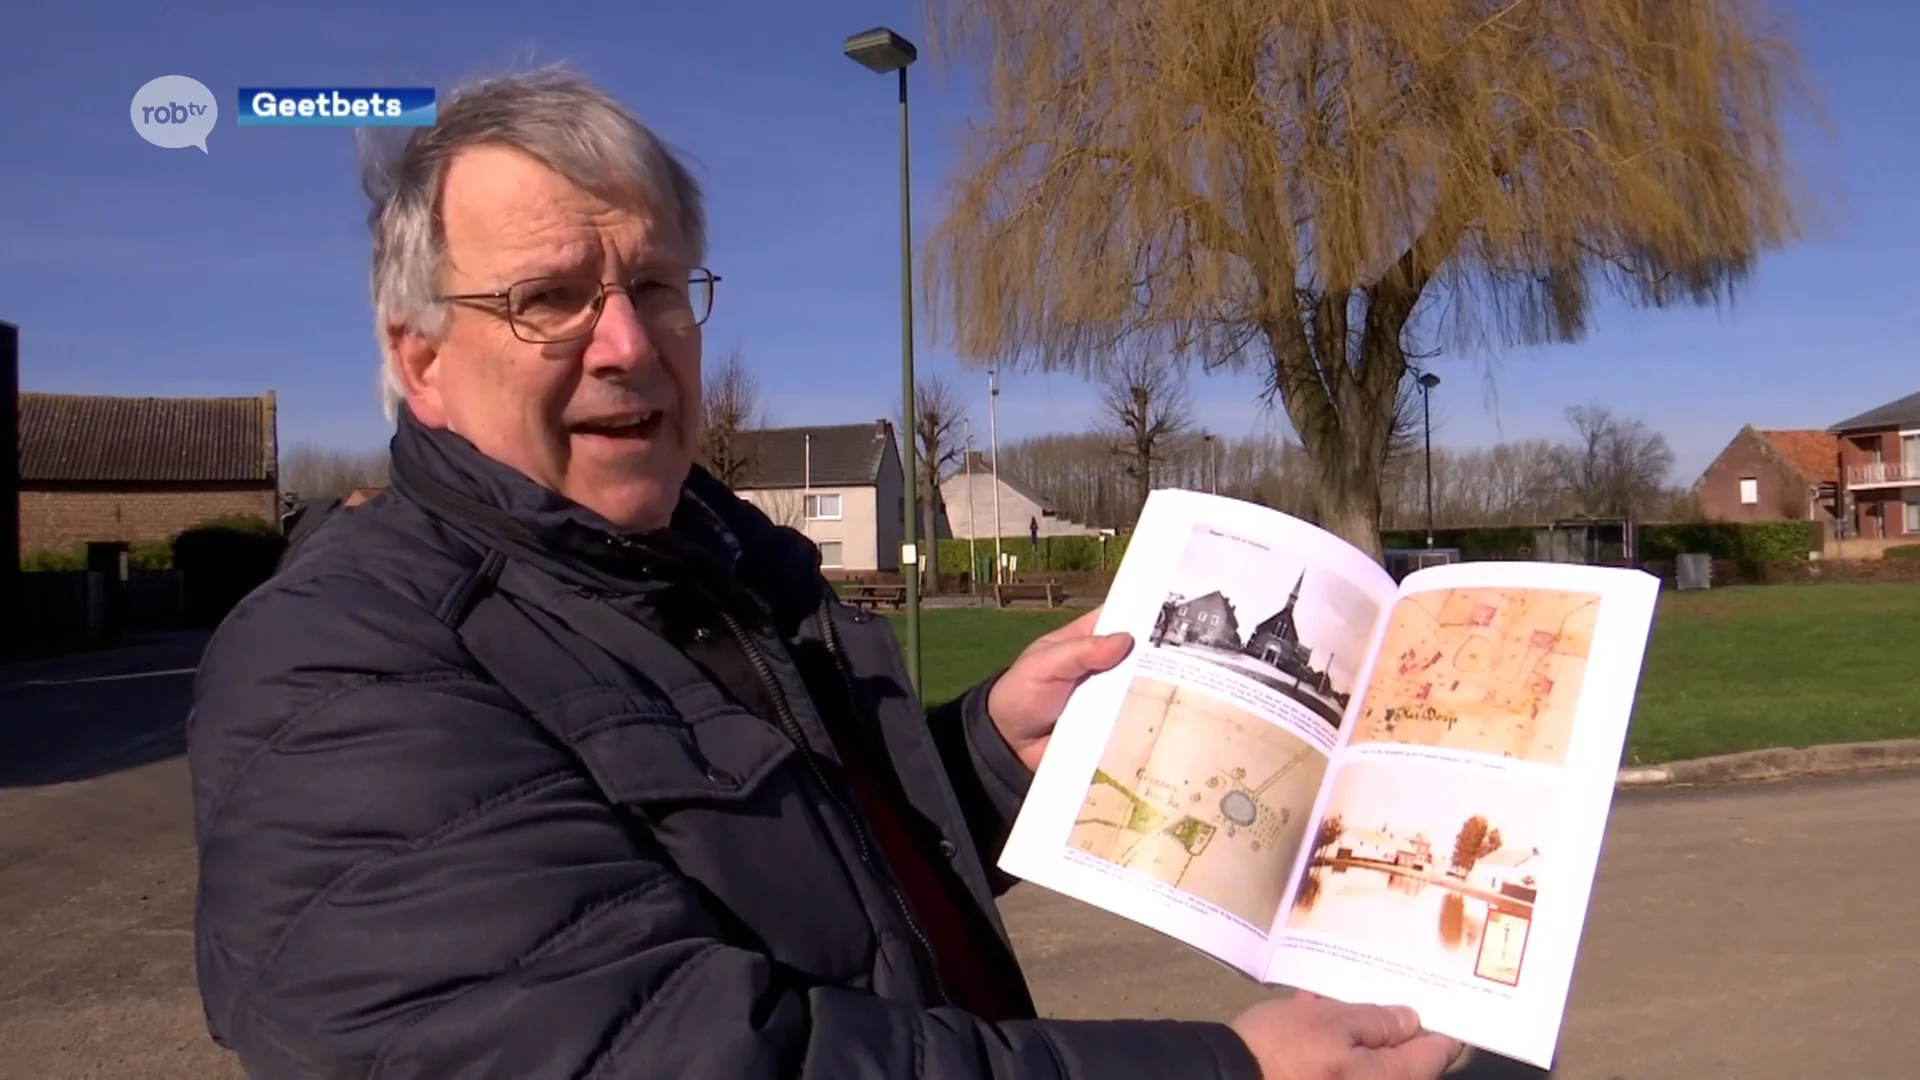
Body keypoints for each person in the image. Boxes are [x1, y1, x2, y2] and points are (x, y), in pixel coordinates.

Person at [185, 69, 1464, 1080]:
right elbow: (663, 1051)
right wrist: (1228, 1069)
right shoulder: (339, 661)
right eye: (548, 301)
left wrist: (993, 761)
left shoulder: (716, 570)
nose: (627, 343)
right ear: (420, 361)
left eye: (654, 285)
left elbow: (807, 872)